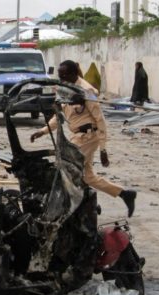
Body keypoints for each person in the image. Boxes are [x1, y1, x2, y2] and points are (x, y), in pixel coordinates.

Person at [30, 60, 137, 217]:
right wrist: (43, 131)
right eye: (59, 77)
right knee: (87, 177)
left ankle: (75, 206)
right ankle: (124, 194)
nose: (61, 79)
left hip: (88, 137)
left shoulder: (86, 91)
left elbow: (100, 120)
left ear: (74, 74)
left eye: (64, 76)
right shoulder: (64, 90)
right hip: (77, 136)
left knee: (66, 169)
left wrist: (103, 149)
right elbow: (59, 116)